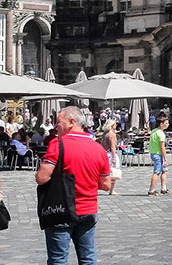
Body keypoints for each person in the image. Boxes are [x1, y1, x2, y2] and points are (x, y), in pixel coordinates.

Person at [36, 105, 111, 265]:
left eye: (58, 122)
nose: (56, 126)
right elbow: (105, 184)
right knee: (88, 258)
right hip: (89, 211)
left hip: (62, 209)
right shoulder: (99, 148)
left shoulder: (58, 144)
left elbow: (42, 178)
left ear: (71, 122)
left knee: (58, 259)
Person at [147, 115, 171, 195]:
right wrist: (165, 158)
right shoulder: (161, 134)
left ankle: (163, 188)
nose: (168, 124)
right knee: (156, 172)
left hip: (153, 153)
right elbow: (162, 147)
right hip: (158, 154)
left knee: (164, 171)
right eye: (166, 123)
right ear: (161, 124)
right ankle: (151, 190)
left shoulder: (154, 131)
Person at [100, 120, 121, 196]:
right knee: (113, 172)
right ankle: (111, 190)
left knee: (106, 172)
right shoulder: (112, 134)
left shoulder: (105, 134)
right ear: (112, 126)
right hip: (110, 154)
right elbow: (113, 147)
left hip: (104, 154)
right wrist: (114, 157)